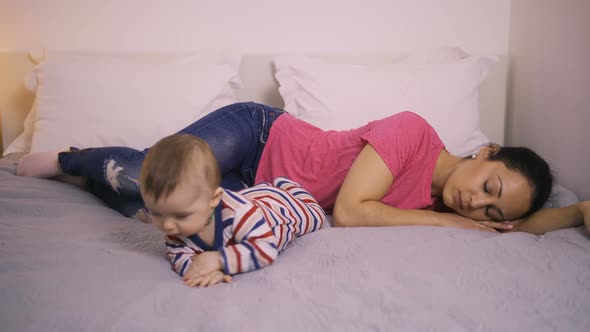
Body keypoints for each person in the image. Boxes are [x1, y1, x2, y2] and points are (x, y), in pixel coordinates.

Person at [17, 102, 590, 235]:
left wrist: (576, 213)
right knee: (156, 175)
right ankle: (70, 157)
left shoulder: (440, 205)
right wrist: (461, 227)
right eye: (488, 188)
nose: (477, 205)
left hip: (258, 189)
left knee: (154, 208)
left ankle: (85, 177)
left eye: (491, 209)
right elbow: (348, 210)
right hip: (259, 134)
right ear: (485, 152)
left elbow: (511, 232)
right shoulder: (414, 132)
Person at [137, 134, 325, 287]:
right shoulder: (176, 231)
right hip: (250, 197)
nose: (167, 225)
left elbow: (265, 249)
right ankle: (276, 185)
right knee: (253, 195)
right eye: (157, 213)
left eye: (181, 215)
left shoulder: (240, 214)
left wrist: (220, 260)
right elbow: (184, 261)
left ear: (214, 199)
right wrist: (208, 272)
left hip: (278, 211)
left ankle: (290, 187)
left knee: (316, 217)